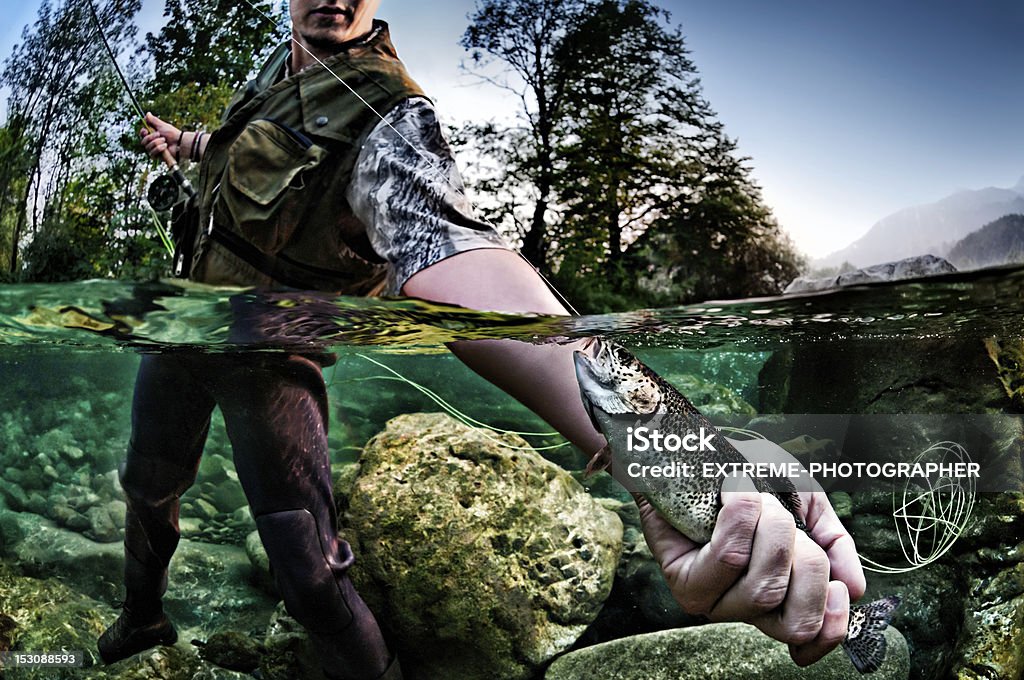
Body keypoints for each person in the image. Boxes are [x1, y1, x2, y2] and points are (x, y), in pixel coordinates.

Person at [105, 0, 866, 678]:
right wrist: (189, 143)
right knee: (146, 490)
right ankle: (143, 620)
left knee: (307, 570)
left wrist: (676, 453)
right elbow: (240, 148)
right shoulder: (279, 66)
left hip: (270, 359)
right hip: (182, 328)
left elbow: (451, 258)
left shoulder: (393, 117)